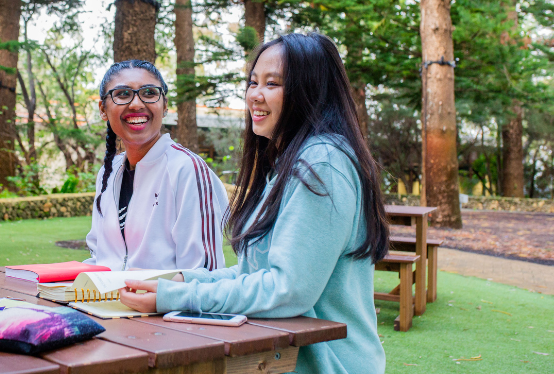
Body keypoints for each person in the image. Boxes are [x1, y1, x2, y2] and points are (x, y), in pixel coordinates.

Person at [120, 33, 390, 374]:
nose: (255, 96)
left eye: (272, 83)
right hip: (280, 356)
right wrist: (183, 281)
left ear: (309, 91)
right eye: (252, 82)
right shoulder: (285, 166)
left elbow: (287, 289)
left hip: (329, 364)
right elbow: (256, 274)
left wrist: (175, 297)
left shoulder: (323, 162)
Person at [84, 60, 227, 271]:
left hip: (165, 304)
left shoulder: (186, 170)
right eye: (122, 94)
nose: (136, 104)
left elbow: (204, 277)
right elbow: (100, 257)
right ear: (103, 109)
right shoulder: (109, 172)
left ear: (165, 105)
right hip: (105, 302)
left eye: (149, 93)